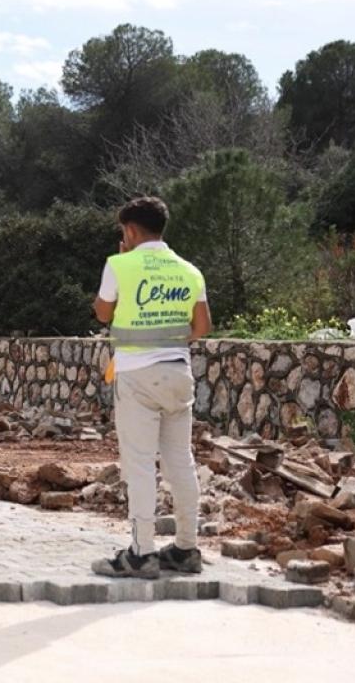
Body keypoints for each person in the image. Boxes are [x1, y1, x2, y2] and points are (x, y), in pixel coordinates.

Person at [91, 196, 211, 579]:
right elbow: (202, 327)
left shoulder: (120, 264)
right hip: (178, 372)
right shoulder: (189, 270)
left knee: (140, 465)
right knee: (181, 462)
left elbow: (103, 312)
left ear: (129, 231)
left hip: (137, 375)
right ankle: (187, 548)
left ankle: (141, 555)